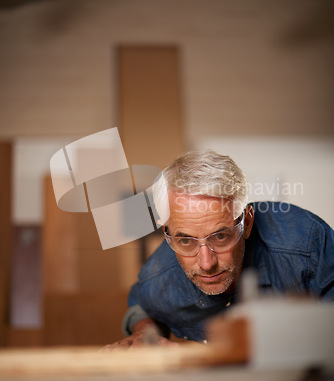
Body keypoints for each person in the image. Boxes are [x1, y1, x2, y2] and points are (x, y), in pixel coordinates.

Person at [109, 150, 334, 349]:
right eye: (186, 240)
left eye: (220, 236)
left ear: (247, 222)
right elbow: (141, 305)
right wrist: (144, 332)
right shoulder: (157, 276)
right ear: (165, 229)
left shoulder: (307, 243)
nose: (207, 264)